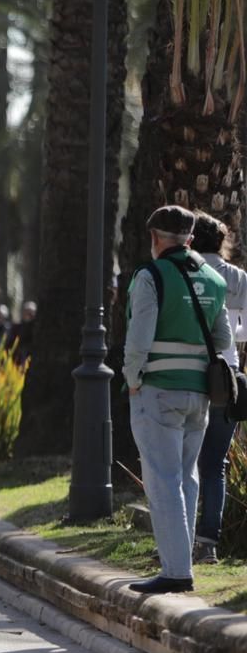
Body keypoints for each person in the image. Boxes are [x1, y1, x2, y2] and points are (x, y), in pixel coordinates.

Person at [121, 205, 233, 594]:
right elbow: (222, 341)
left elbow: (139, 338)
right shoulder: (214, 280)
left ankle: (176, 571)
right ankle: (181, 563)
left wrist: (133, 379)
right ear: (188, 237)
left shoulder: (150, 276)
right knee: (186, 477)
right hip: (198, 396)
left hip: (157, 390)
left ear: (155, 238)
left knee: (162, 480)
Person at [190, 213, 247, 565]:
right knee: (215, 465)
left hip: (189, 376)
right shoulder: (238, 278)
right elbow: (244, 332)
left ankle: (178, 539)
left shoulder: (186, 273)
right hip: (228, 379)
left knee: (181, 464)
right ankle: (207, 543)